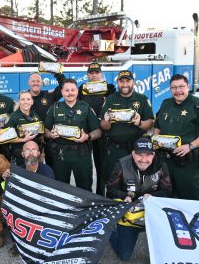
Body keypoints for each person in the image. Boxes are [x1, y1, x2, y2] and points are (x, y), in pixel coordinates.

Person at [106, 137, 172, 261]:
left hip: (151, 215)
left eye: (147, 155)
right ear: (133, 154)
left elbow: (168, 191)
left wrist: (153, 196)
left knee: (162, 256)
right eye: (139, 155)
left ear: (153, 155)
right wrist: (123, 196)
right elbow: (110, 189)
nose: (143, 160)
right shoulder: (121, 164)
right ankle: (113, 231)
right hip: (130, 215)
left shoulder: (161, 166)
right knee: (124, 255)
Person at [153, 74, 199, 201]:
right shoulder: (166, 104)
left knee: (191, 200)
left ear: (188, 87)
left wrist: (190, 146)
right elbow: (157, 125)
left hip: (189, 164)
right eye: (174, 87)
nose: (178, 91)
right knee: (167, 198)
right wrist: (155, 139)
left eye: (181, 86)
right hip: (166, 162)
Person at [99, 70, 154, 193]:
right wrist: (106, 121)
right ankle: (113, 208)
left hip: (136, 149)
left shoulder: (142, 99)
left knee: (137, 181)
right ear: (118, 83)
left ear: (133, 82)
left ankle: (136, 208)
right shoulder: (110, 99)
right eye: (121, 81)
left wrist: (139, 123)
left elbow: (150, 124)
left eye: (127, 81)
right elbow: (103, 126)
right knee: (113, 181)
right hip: (114, 149)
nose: (125, 84)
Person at [44, 78, 101, 191]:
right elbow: (45, 130)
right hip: (61, 155)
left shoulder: (86, 108)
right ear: (62, 92)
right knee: (60, 189)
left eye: (72, 90)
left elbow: (98, 131)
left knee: (84, 188)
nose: (70, 93)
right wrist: (50, 134)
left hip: (81, 154)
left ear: (77, 91)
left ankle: (84, 208)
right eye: (67, 90)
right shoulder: (54, 108)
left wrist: (88, 136)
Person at [2, 140, 55, 256]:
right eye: (27, 150)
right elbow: (9, 194)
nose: (31, 152)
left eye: (34, 149)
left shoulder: (47, 171)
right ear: (22, 154)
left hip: (41, 206)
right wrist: (6, 179)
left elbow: (50, 196)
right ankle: (18, 244)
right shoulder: (15, 170)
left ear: (38, 154)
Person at [78, 62, 115, 195]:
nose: (94, 75)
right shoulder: (82, 88)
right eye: (91, 73)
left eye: (96, 73)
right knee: (84, 167)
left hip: (103, 132)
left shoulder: (109, 87)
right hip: (86, 132)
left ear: (101, 74)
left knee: (101, 167)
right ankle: (86, 194)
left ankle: (100, 194)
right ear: (87, 75)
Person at [5, 90, 43, 165]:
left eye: (28, 99)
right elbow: (7, 139)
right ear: (19, 101)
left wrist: (41, 153)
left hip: (34, 156)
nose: (26, 102)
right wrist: (24, 139)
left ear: (32, 102)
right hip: (19, 156)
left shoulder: (35, 116)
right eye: (23, 99)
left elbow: (40, 136)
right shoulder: (13, 117)